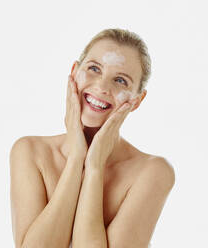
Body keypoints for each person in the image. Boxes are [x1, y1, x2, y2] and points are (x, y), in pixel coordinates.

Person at [10, 28, 176, 248]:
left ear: (137, 100)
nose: (102, 86)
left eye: (120, 81)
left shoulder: (152, 172)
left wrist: (95, 167)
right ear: (74, 71)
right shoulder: (30, 151)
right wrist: (76, 158)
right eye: (94, 68)